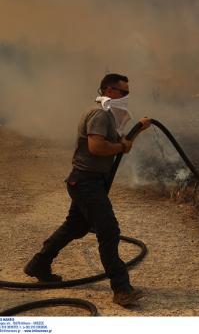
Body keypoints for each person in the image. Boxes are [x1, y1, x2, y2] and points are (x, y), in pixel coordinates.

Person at [23, 73, 151, 307]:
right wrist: (121, 146)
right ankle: (122, 289)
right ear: (109, 91)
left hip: (87, 182)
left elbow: (117, 143)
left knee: (75, 226)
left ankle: (38, 264)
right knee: (109, 231)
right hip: (86, 183)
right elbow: (97, 147)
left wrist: (137, 130)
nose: (127, 96)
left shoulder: (107, 114)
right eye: (124, 92)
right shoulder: (100, 114)